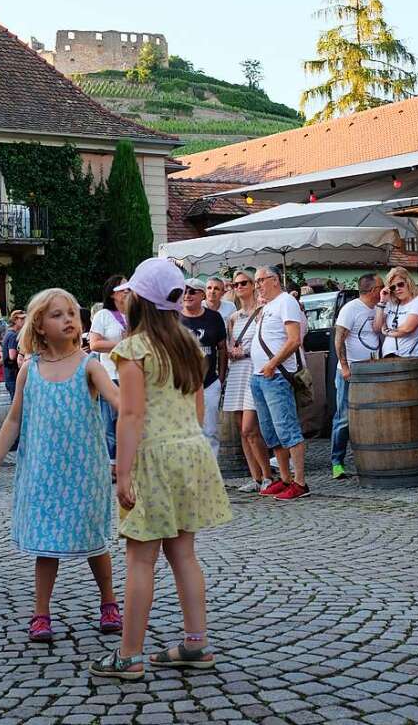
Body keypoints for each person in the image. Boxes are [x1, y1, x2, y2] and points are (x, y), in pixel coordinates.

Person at [89, 258, 231, 680]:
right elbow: (198, 402)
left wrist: (125, 473)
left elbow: (130, 416)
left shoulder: (134, 349)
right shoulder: (186, 343)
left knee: (140, 559)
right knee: (184, 553)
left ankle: (129, 655)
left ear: (139, 300)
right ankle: (196, 642)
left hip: (156, 456)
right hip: (191, 451)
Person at [0, 288, 120, 643]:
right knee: (46, 545)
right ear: (40, 326)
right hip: (42, 472)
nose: (69, 320)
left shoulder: (90, 365)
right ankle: (41, 612)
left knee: (93, 541)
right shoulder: (30, 370)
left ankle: (109, 602)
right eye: (58, 315)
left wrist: (143, 414)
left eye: (73, 313)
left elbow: (117, 400)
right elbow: (14, 419)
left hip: (84, 472)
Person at [251, 266, 310, 500]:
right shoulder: (267, 306)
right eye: (256, 282)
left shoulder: (286, 301)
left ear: (275, 280)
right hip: (260, 375)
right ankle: (285, 478)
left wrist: (272, 364)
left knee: (287, 428)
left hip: (275, 374)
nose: (257, 286)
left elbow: (294, 339)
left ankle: (300, 482)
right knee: (271, 431)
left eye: (260, 281)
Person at [223, 268, 273, 492]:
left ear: (253, 285)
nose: (240, 287)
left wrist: (246, 353)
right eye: (236, 284)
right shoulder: (233, 317)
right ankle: (256, 478)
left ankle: (268, 475)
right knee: (241, 429)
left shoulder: (263, 311)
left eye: (244, 283)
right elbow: (229, 344)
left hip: (254, 369)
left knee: (250, 428)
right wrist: (231, 352)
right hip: (236, 372)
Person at [332, 274, 382, 480]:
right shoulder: (351, 309)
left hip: (372, 370)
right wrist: (345, 366)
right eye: (381, 286)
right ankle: (337, 462)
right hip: (351, 370)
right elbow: (339, 338)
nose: (384, 289)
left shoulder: (378, 308)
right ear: (372, 290)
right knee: (344, 417)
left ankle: (371, 458)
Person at [179, 278, 228, 459]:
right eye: (184, 291)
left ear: (201, 295)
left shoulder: (214, 318)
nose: (187, 295)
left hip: (209, 384)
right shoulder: (174, 317)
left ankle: (211, 476)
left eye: (192, 291)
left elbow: (222, 348)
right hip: (182, 385)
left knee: (210, 431)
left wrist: (220, 378)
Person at [89, 275, 130, 479]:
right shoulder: (103, 315)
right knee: (111, 422)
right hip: (111, 375)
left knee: (131, 419)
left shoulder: (134, 313)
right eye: (124, 288)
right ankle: (112, 465)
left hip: (133, 375)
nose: (128, 291)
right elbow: (94, 344)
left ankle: (128, 462)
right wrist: (122, 344)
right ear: (114, 293)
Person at [374, 267, 418, 358]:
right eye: (393, 287)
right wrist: (382, 301)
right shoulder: (390, 304)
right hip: (388, 356)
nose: (397, 289)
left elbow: (407, 329)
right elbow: (377, 327)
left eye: (400, 284)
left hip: (410, 356)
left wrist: (386, 331)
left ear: (408, 283)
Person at [2, 310, 26, 399]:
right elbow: (12, 356)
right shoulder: (13, 335)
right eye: (22, 318)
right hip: (13, 376)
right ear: (15, 320)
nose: (24, 321)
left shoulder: (8, 333)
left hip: (9, 376)